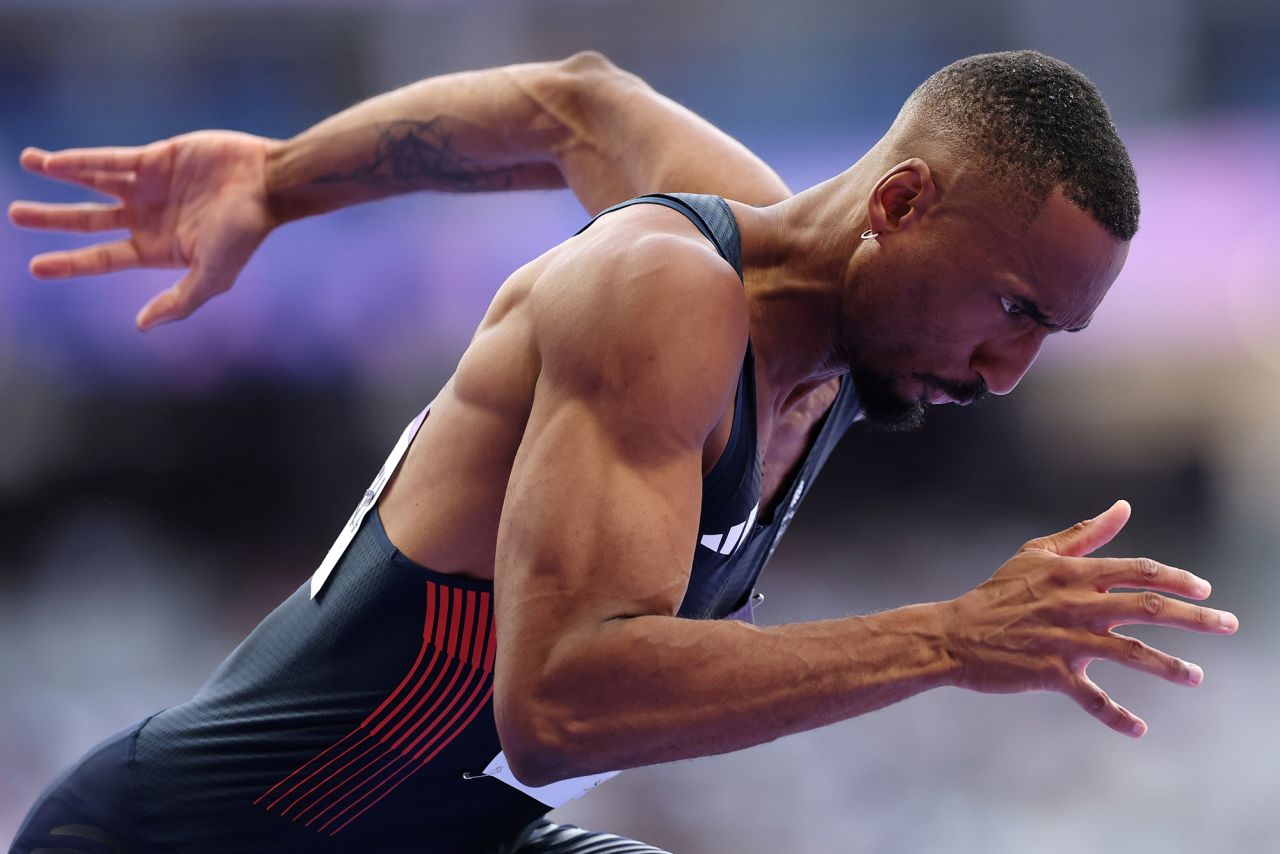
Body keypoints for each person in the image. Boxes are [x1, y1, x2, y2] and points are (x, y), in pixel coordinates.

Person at [8, 49, 1238, 853]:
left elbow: (575, 103)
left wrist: (280, 180)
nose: (1005, 371)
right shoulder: (666, 292)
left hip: (438, 830)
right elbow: (557, 702)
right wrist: (948, 638)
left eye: (1051, 332)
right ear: (900, 205)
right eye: (1011, 307)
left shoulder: (807, 313)